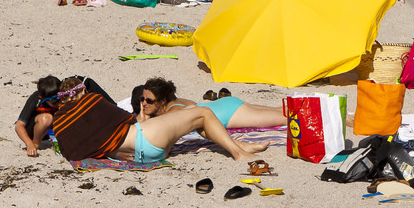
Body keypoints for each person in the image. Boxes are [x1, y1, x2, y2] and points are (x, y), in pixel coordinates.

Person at [48, 74, 265, 164]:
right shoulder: (91, 101)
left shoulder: (59, 122)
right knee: (203, 114)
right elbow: (130, 121)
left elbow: (74, 154)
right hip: (147, 139)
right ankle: (239, 153)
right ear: (81, 92)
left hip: (139, 157)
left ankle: (239, 144)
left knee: (194, 121)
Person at [14, 74, 111, 156]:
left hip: (54, 132)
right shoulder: (36, 98)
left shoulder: (65, 97)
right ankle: (36, 144)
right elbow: (19, 125)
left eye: (60, 97)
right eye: (54, 100)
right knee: (47, 118)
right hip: (37, 129)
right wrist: (29, 143)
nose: (59, 102)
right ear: (42, 97)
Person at [135, 78, 285, 130]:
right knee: (282, 110)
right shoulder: (176, 102)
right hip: (227, 104)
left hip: (231, 115)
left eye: (149, 100)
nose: (144, 103)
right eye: (142, 99)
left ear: (162, 101)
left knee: (287, 118)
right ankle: (306, 103)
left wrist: (142, 117)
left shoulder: (174, 111)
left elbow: (156, 126)